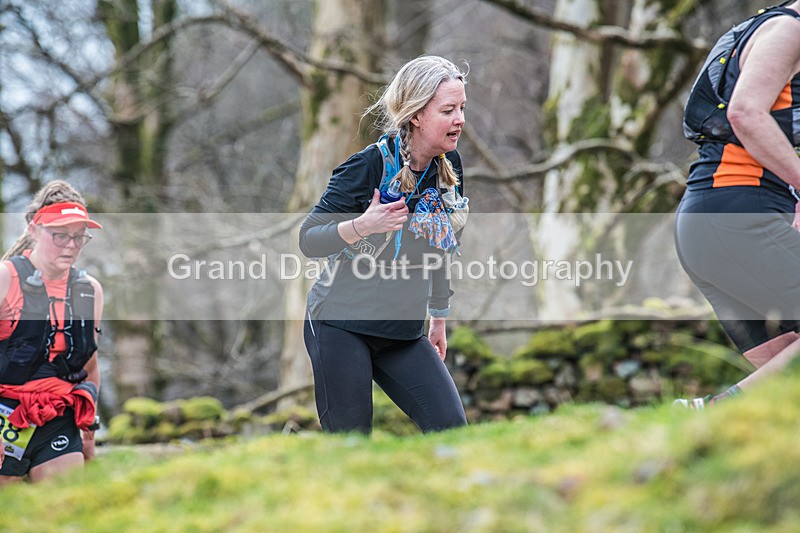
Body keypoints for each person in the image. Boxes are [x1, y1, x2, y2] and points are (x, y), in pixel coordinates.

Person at [299, 55, 469, 433]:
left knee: (452, 430)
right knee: (350, 444)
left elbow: (440, 248)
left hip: (402, 332)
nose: (459, 119)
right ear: (416, 115)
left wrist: (438, 318)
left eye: (462, 108)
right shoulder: (368, 166)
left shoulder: (449, 167)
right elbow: (309, 239)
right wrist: (364, 225)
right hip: (341, 326)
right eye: (448, 110)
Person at [674, 2, 800, 408]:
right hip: (737, 216)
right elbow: (745, 112)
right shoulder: (790, 30)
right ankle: (711, 412)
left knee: (787, 388)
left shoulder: (768, 27)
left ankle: (707, 423)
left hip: (714, 221)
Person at [0, 180, 104, 482]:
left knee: (65, 501)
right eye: (60, 235)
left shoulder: (89, 291)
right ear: (34, 230)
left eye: (79, 237)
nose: (70, 245)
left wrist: (89, 431)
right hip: (6, 412)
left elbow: (90, 368)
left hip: (58, 415)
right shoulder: (6, 279)